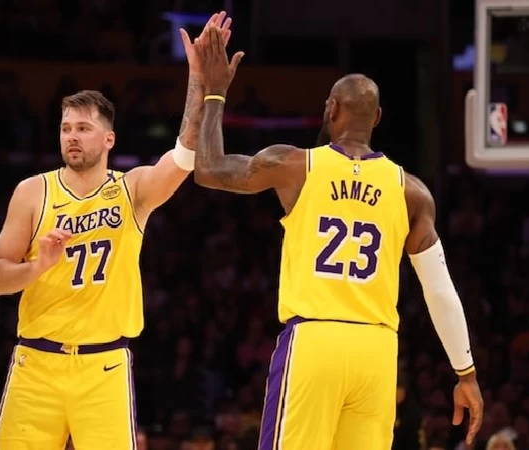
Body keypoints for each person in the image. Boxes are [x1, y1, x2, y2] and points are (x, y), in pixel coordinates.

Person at [192, 26, 484, 450]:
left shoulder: (293, 164)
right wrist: (465, 373)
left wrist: (215, 93)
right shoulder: (411, 191)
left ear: (331, 109)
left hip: (315, 340)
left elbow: (208, 169)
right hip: (377, 351)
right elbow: (440, 290)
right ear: (377, 118)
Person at [0, 13, 233, 450]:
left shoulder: (132, 190)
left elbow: (185, 155)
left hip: (104, 368)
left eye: (83, 128)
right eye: (66, 128)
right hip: (36, 363)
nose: (72, 137)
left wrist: (197, 80)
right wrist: (37, 267)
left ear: (108, 140)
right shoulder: (32, 192)